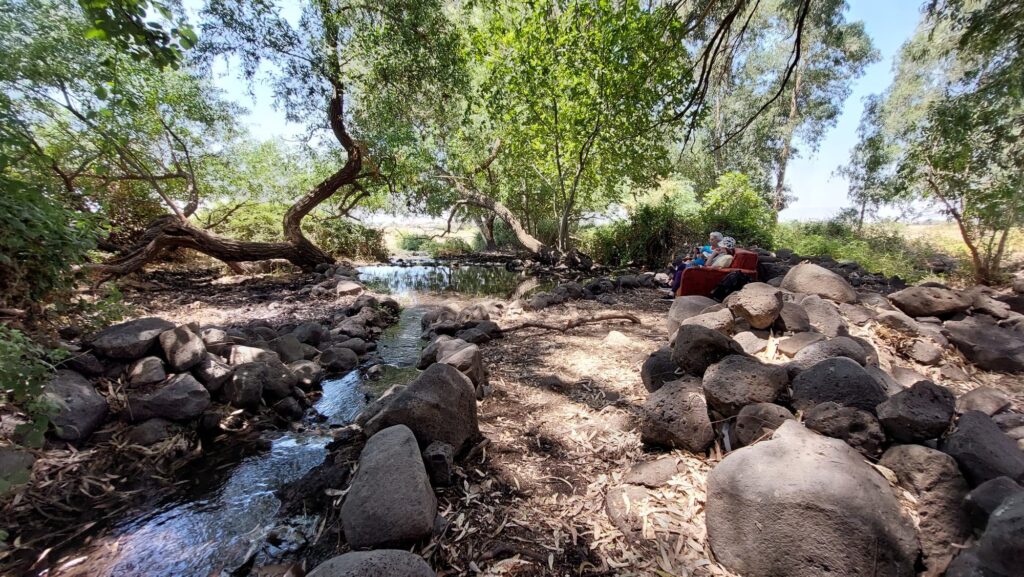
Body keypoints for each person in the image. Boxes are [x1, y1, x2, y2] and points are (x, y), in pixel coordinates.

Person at [664, 232, 723, 298]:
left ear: (718, 241)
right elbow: (696, 258)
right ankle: (671, 291)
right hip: (694, 262)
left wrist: (707, 257)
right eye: (710, 239)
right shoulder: (706, 247)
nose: (710, 241)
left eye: (712, 239)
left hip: (699, 267)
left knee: (681, 267)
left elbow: (709, 263)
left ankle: (671, 283)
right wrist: (695, 253)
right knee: (680, 270)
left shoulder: (719, 250)